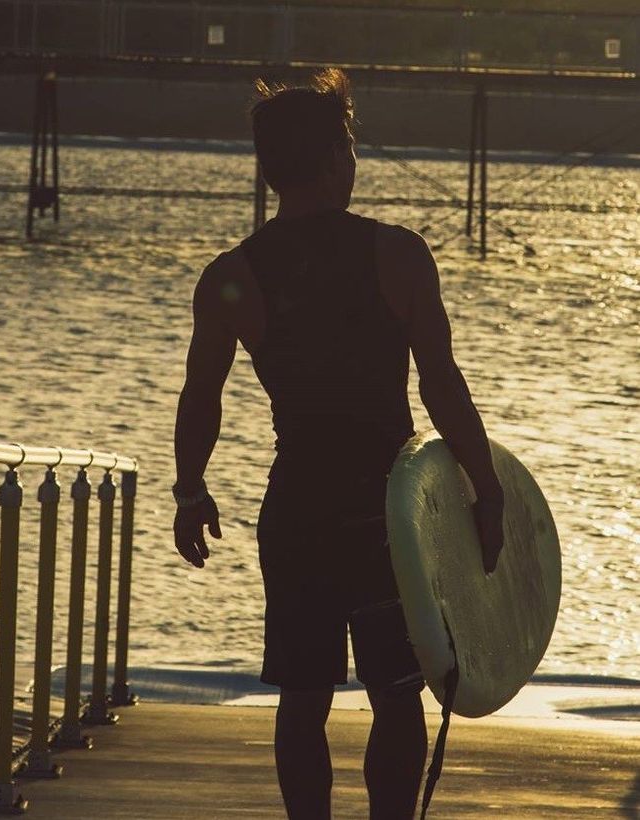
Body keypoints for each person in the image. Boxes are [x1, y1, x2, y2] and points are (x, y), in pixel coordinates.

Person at [171, 69, 505, 820]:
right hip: (388, 515)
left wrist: (189, 490)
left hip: (297, 509)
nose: (355, 162)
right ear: (329, 160)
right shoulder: (398, 255)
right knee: (396, 693)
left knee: (303, 695)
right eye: (350, 147)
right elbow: (441, 386)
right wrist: (486, 488)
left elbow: (202, 395)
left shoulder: (231, 278)